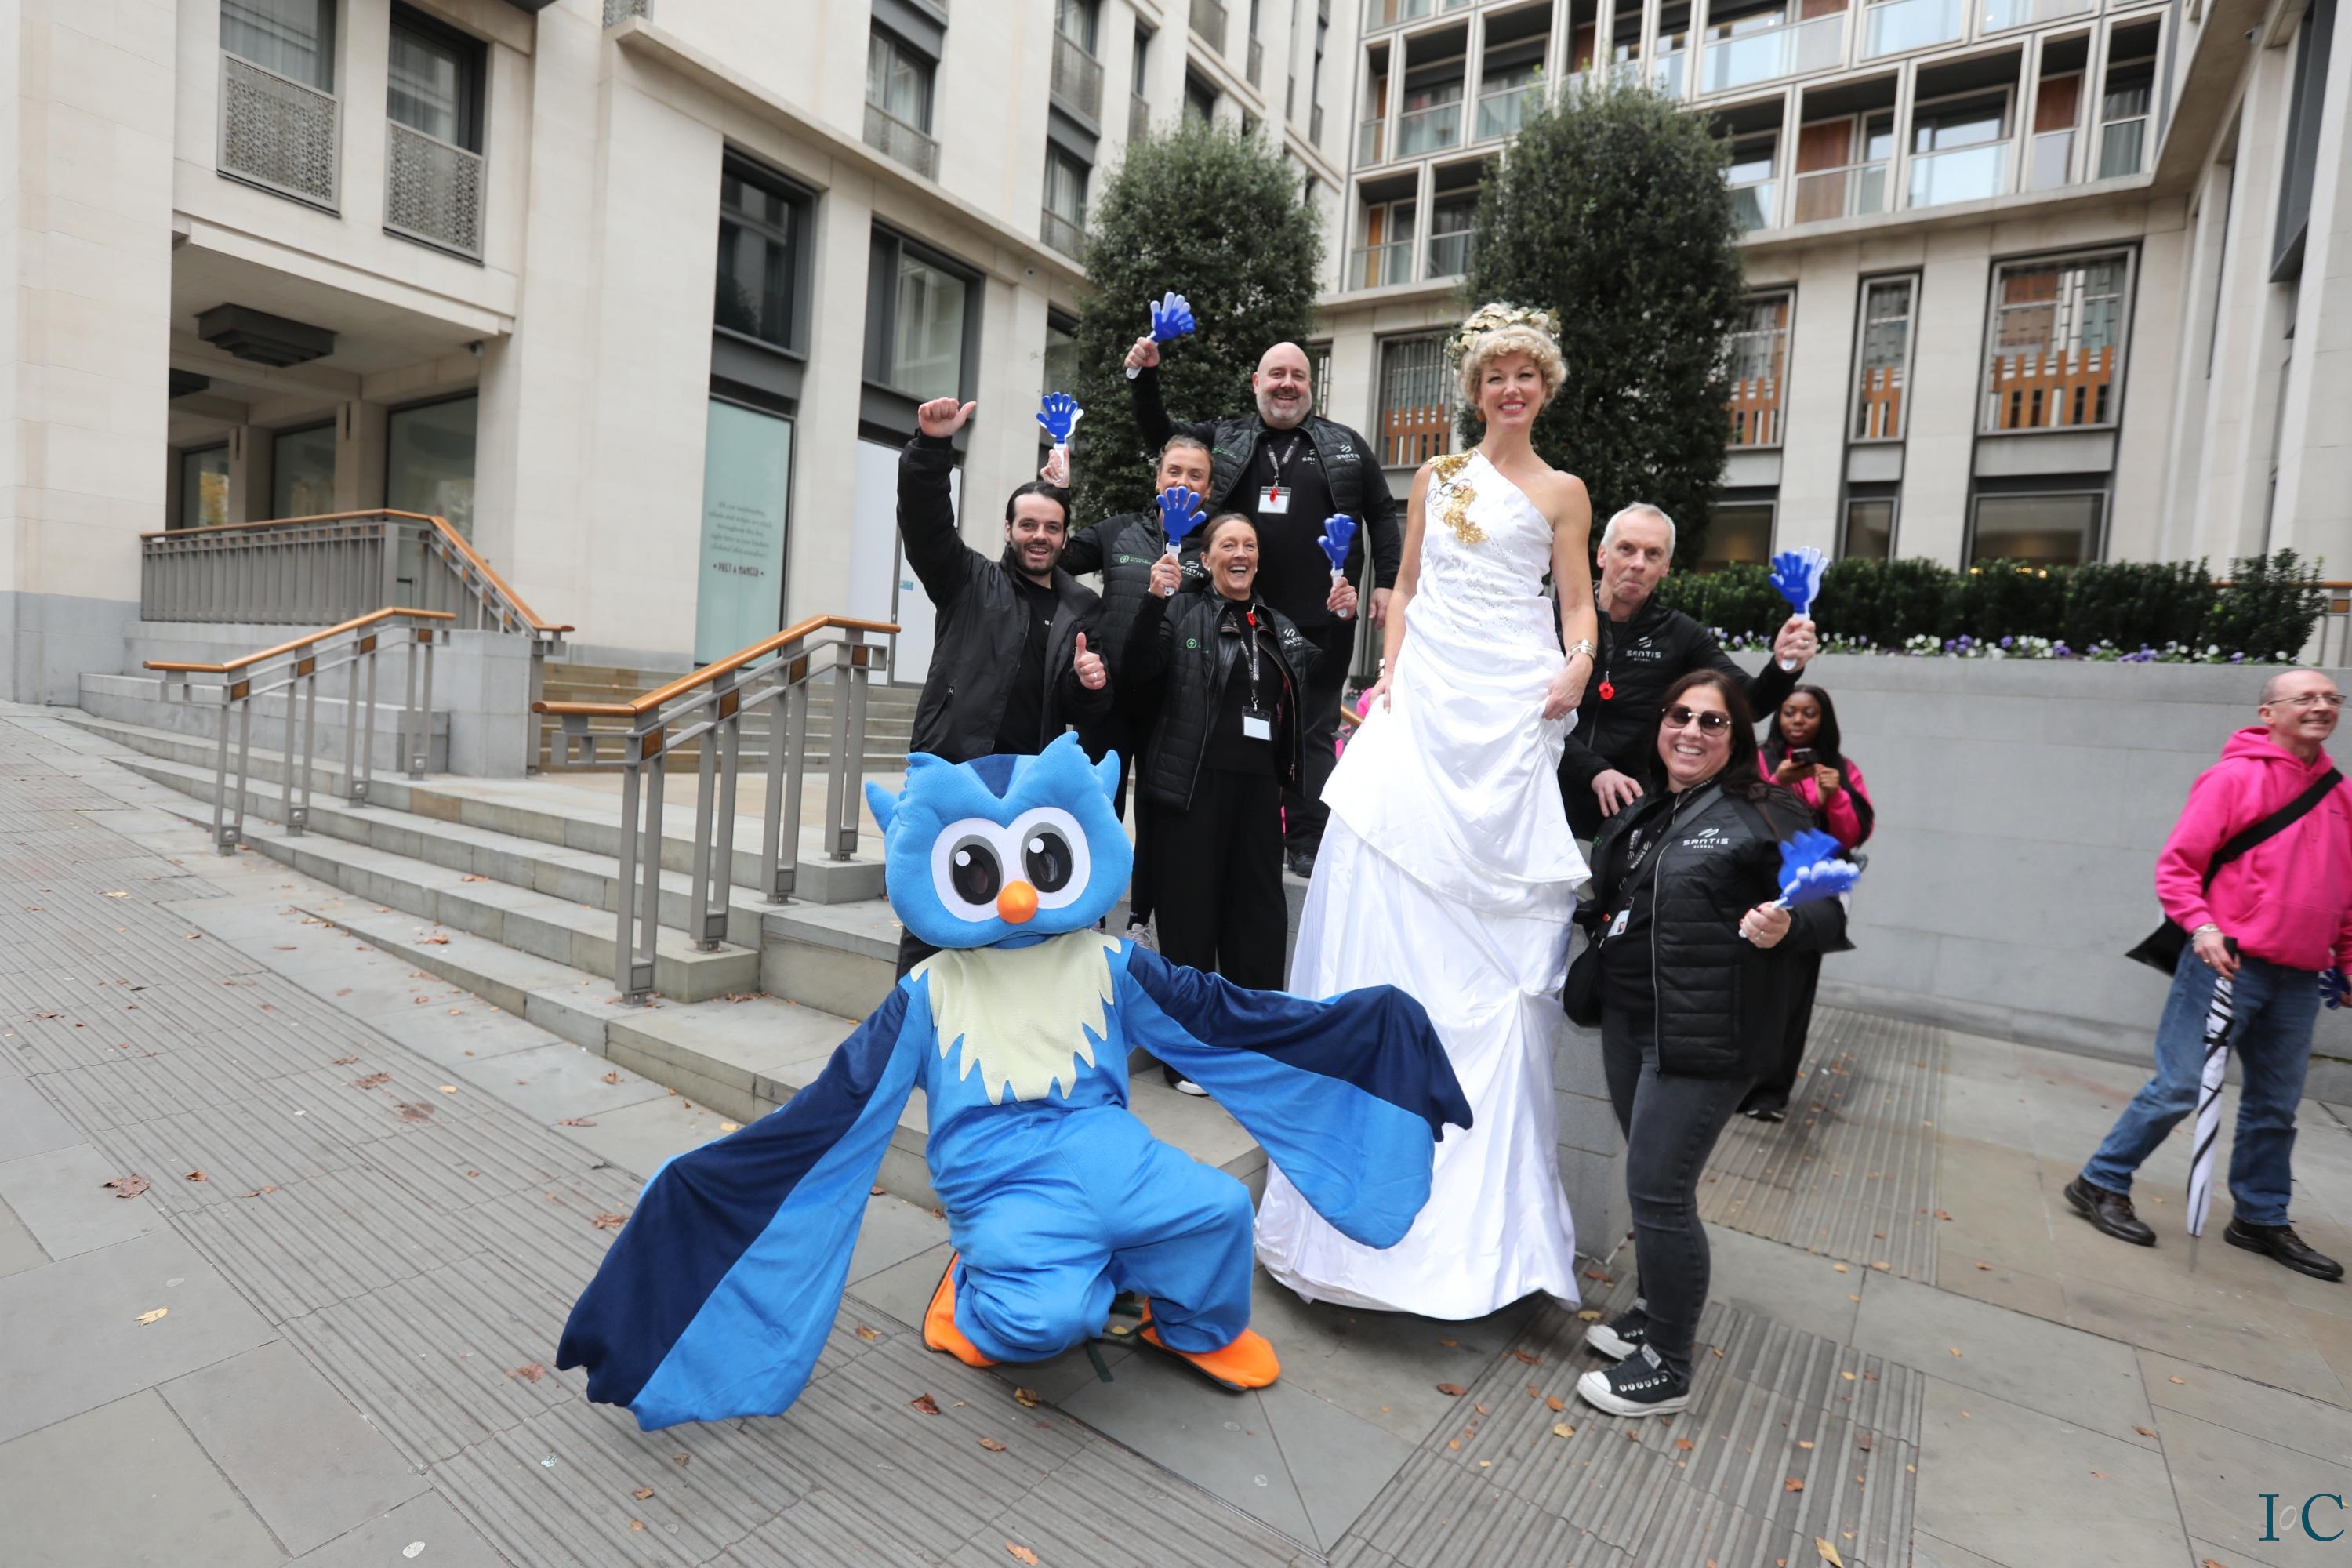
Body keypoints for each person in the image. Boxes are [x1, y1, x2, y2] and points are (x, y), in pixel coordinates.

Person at [1252, 303, 1598, 1318]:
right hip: (1427, 698)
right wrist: (1391, 675)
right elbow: (1401, 587)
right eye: (1496, 376)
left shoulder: (1565, 492)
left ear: (1544, 387)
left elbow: (1576, 602)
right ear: (1475, 389)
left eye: (1526, 375)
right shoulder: (1437, 478)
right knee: (1382, 881)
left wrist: (1580, 662)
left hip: (1510, 702)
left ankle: (1486, 1228)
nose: (1511, 390)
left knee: (1493, 944)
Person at [1572, 669, 1850, 1417]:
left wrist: (1788, 923)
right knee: (1655, 1183)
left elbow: (1830, 906)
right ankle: (1654, 1312)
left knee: (1658, 1190)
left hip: (1708, 1033)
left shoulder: (1767, 808)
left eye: (1712, 721)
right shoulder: (1651, 805)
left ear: (1737, 736)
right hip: (1632, 1022)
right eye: (1680, 716)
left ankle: (1669, 1363)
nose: (1691, 732)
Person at [2066, 668, 2352, 1283]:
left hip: (2300, 977)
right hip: (2227, 965)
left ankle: (2259, 1217)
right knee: (2179, 1086)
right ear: (2268, 713)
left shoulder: (2340, 792)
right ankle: (2100, 1180)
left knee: (2276, 1106)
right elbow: (2178, 867)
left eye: (2332, 698)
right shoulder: (2233, 777)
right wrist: (2202, 926)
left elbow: (2346, 888)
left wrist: (2348, 961)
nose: (2322, 705)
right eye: (2306, 697)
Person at [1125, 333, 1402, 877]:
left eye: (1298, 375)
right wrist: (1145, 377)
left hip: (1320, 615)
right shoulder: (1226, 437)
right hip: (1235, 614)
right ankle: (1221, 826)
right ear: (1257, 382)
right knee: (1226, 721)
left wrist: (1386, 583)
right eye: (1276, 374)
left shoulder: (1346, 444)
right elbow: (1164, 436)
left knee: (1312, 728)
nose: (1286, 384)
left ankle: (1306, 840)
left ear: (1311, 386)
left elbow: (1382, 511)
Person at [895, 396, 1112, 976]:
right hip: (955, 769)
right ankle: (912, 1023)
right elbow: (924, 522)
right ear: (1010, 530)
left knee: (1015, 916)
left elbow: (1081, 706)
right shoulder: (968, 579)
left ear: (1064, 538)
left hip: (1028, 785)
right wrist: (931, 447)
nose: (1040, 536)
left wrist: (1091, 685)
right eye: (1028, 525)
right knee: (935, 910)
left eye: (1052, 528)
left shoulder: (1082, 607)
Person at [1123, 515, 1354, 1047]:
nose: (1241, 553)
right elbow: (1137, 670)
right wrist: (1153, 601)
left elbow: (1321, 680)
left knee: (1258, 921)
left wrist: (1342, 623)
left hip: (1259, 794)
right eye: (1228, 544)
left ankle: (1257, 1040)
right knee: (1190, 923)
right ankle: (1190, 1051)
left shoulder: (1275, 624)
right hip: (1191, 790)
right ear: (1207, 560)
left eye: (1249, 545)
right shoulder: (1182, 610)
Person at [1557, 503, 1820, 840]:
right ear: (1602, 555)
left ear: (1665, 567)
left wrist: (1784, 666)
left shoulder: (1678, 633)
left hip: (1629, 816)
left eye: (1653, 554)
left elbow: (1749, 704)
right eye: (1627, 549)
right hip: (1546, 795)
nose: (1638, 563)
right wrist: (1595, 770)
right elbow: (1527, 709)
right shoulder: (1554, 621)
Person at [1052, 434, 1214, 943]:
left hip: (1172, 704)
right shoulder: (1119, 531)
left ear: (1209, 489)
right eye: (1175, 471)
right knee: (1100, 805)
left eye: (1195, 475)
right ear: (1158, 477)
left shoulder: (1212, 547)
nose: (1183, 481)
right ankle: (1091, 912)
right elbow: (1053, 558)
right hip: (1108, 699)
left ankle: (1141, 921)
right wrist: (1057, 491)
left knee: (1155, 815)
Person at [1740, 684, 1875, 1121]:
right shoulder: (1759, 760)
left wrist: (1835, 796)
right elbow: (1738, 814)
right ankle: (1735, 1084)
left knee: (1794, 993)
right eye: (1789, 712)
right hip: (1756, 885)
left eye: (1809, 713)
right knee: (1745, 987)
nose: (1798, 721)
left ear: (1824, 719)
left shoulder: (1842, 770)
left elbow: (1852, 836)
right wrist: (1776, 783)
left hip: (1810, 897)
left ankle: (1770, 1093)